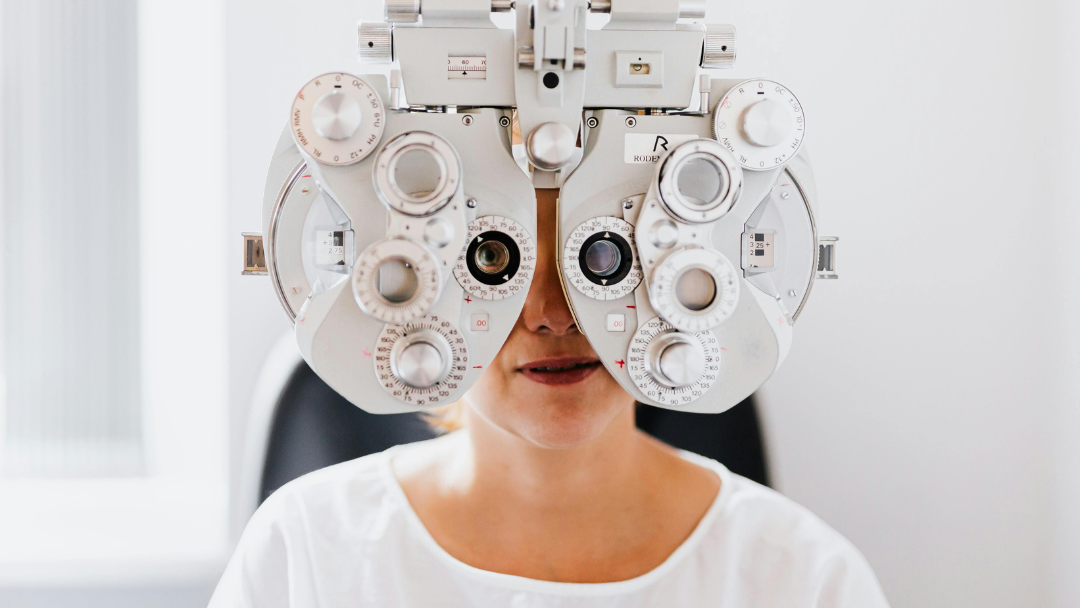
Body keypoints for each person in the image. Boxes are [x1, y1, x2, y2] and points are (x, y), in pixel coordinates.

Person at [210, 189, 890, 607]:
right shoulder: (304, 550)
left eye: (601, 258)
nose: (553, 314)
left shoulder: (803, 577)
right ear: (421, 285)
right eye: (494, 260)